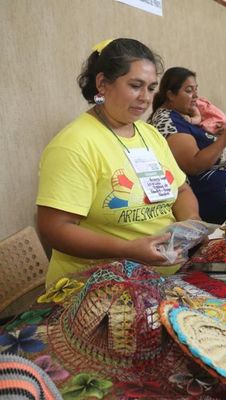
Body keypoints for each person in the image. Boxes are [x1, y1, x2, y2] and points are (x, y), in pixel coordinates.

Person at [36, 38, 200, 287]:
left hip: (163, 279)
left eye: (151, 87)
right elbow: (55, 228)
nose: (145, 98)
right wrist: (128, 249)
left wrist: (191, 225)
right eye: (135, 86)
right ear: (102, 84)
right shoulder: (74, 144)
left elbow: (181, 189)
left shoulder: (150, 134)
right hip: (95, 290)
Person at [150, 67, 226, 224]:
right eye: (189, 91)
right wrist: (225, 139)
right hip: (210, 209)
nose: (195, 96)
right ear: (170, 94)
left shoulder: (183, 117)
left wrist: (219, 136)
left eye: (196, 90)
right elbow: (193, 164)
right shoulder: (167, 121)